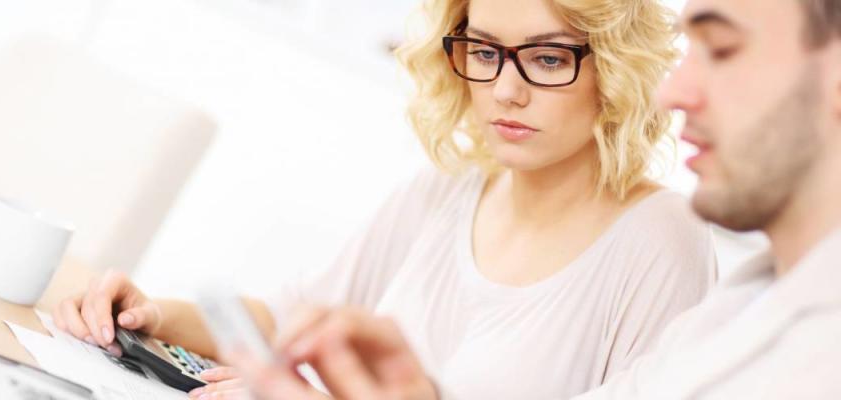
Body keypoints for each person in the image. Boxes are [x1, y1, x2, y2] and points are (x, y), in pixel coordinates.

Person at [53, 0, 718, 398]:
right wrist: (153, 315)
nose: (505, 91)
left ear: (616, 68)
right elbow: (289, 321)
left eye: (547, 60)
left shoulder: (662, 240)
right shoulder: (451, 188)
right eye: (483, 51)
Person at [226, 0, 841, 398]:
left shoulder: (674, 248)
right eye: (485, 53)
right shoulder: (748, 302)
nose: (672, 94)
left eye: (725, 50)